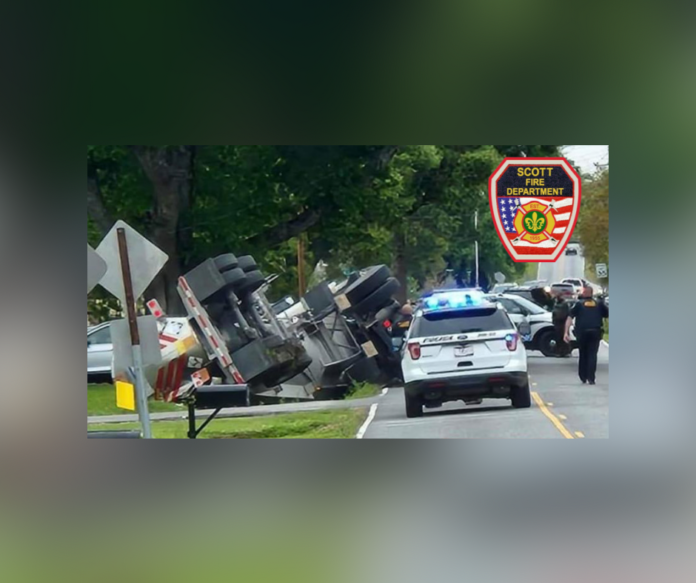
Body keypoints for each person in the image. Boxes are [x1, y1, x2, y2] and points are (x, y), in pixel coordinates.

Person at [565, 286, 608, 384]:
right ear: (592, 293)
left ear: (584, 293)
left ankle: (583, 376)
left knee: (583, 354)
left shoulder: (579, 305)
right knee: (592, 355)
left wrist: (565, 332)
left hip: (582, 333)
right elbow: (607, 314)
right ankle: (591, 378)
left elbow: (569, 317)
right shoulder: (599, 304)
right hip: (595, 332)